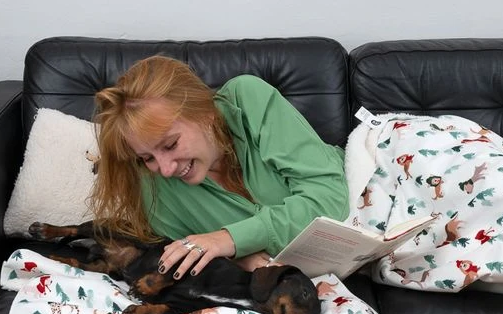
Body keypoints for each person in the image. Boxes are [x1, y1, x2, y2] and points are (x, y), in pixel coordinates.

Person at [90, 56, 350, 277]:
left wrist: (229, 239)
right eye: (147, 157)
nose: (166, 169)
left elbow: (329, 200)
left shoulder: (248, 99)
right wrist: (237, 259)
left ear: (205, 112)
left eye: (170, 145)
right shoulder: (155, 190)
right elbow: (190, 261)